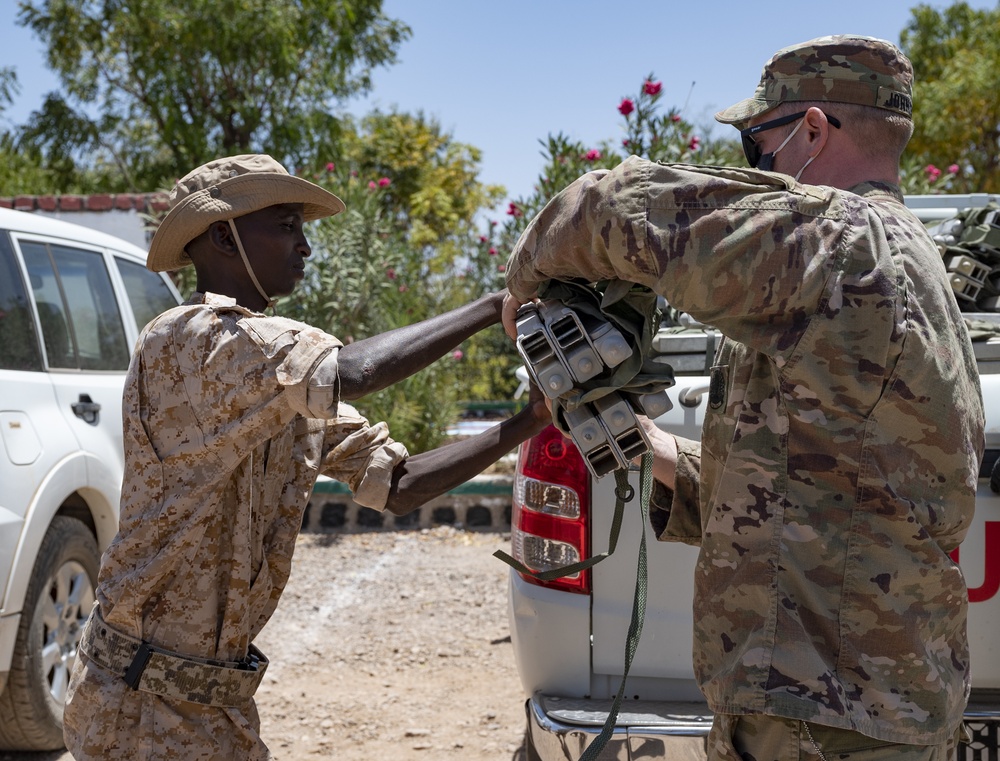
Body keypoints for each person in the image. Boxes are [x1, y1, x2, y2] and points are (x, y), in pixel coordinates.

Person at [501, 35, 985, 761]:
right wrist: (649, 446)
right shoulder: (906, 260)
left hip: (821, 715)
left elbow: (617, 207)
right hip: (858, 706)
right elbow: (841, 490)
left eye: (758, 143)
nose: (756, 166)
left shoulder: (841, 241)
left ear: (813, 130)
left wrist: (522, 279)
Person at [62, 154, 549, 760]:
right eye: (287, 225)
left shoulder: (274, 382)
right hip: (137, 710)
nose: (306, 247)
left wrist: (529, 421)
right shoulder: (187, 339)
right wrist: (488, 308)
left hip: (213, 706)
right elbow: (357, 369)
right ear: (223, 234)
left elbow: (397, 485)